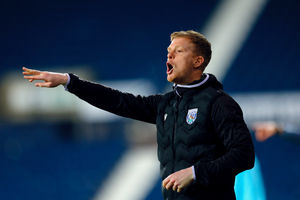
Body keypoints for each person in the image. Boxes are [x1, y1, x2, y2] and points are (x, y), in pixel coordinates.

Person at [23, 30, 255, 200]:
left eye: (178, 52)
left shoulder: (219, 103)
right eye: (168, 52)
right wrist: (69, 82)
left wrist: (195, 172)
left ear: (198, 61)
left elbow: (244, 155)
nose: (169, 57)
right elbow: (119, 101)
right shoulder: (166, 104)